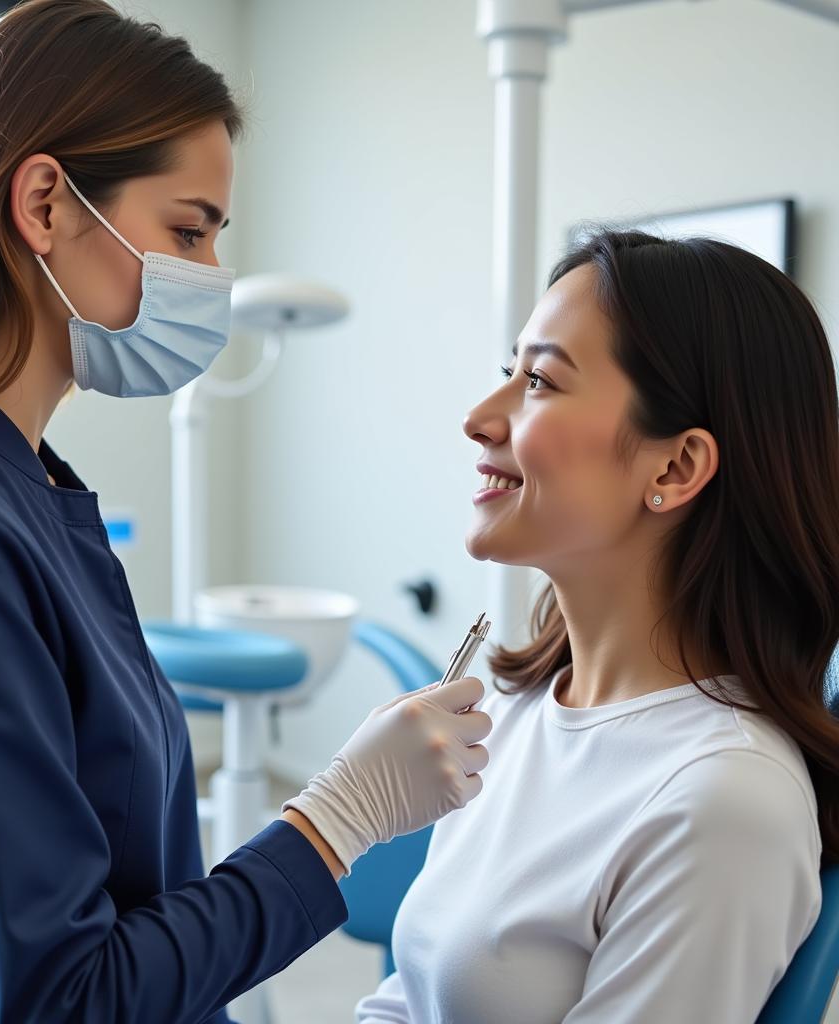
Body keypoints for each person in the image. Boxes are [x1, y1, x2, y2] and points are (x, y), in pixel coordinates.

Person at [0, 2, 492, 1022]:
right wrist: (336, 821)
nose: (208, 280)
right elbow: (73, 996)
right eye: (187, 231)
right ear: (45, 203)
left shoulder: (21, 486)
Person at [356, 229, 839, 1024]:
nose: (480, 418)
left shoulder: (723, 804)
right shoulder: (511, 713)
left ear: (676, 468)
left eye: (540, 381)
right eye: (506, 374)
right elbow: (408, 1000)